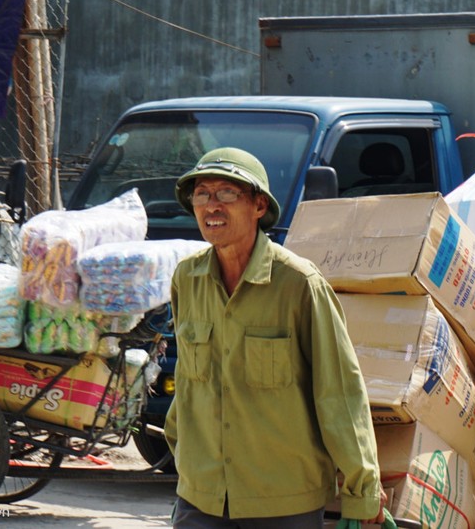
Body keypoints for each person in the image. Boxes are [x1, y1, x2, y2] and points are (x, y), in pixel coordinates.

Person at [165, 147, 386, 528]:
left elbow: (339, 394)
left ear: (259, 206)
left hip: (283, 501)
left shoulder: (299, 284)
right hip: (202, 496)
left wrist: (361, 488)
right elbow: (187, 386)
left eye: (227, 194)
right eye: (202, 194)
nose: (211, 206)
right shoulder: (187, 279)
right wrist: (185, 460)